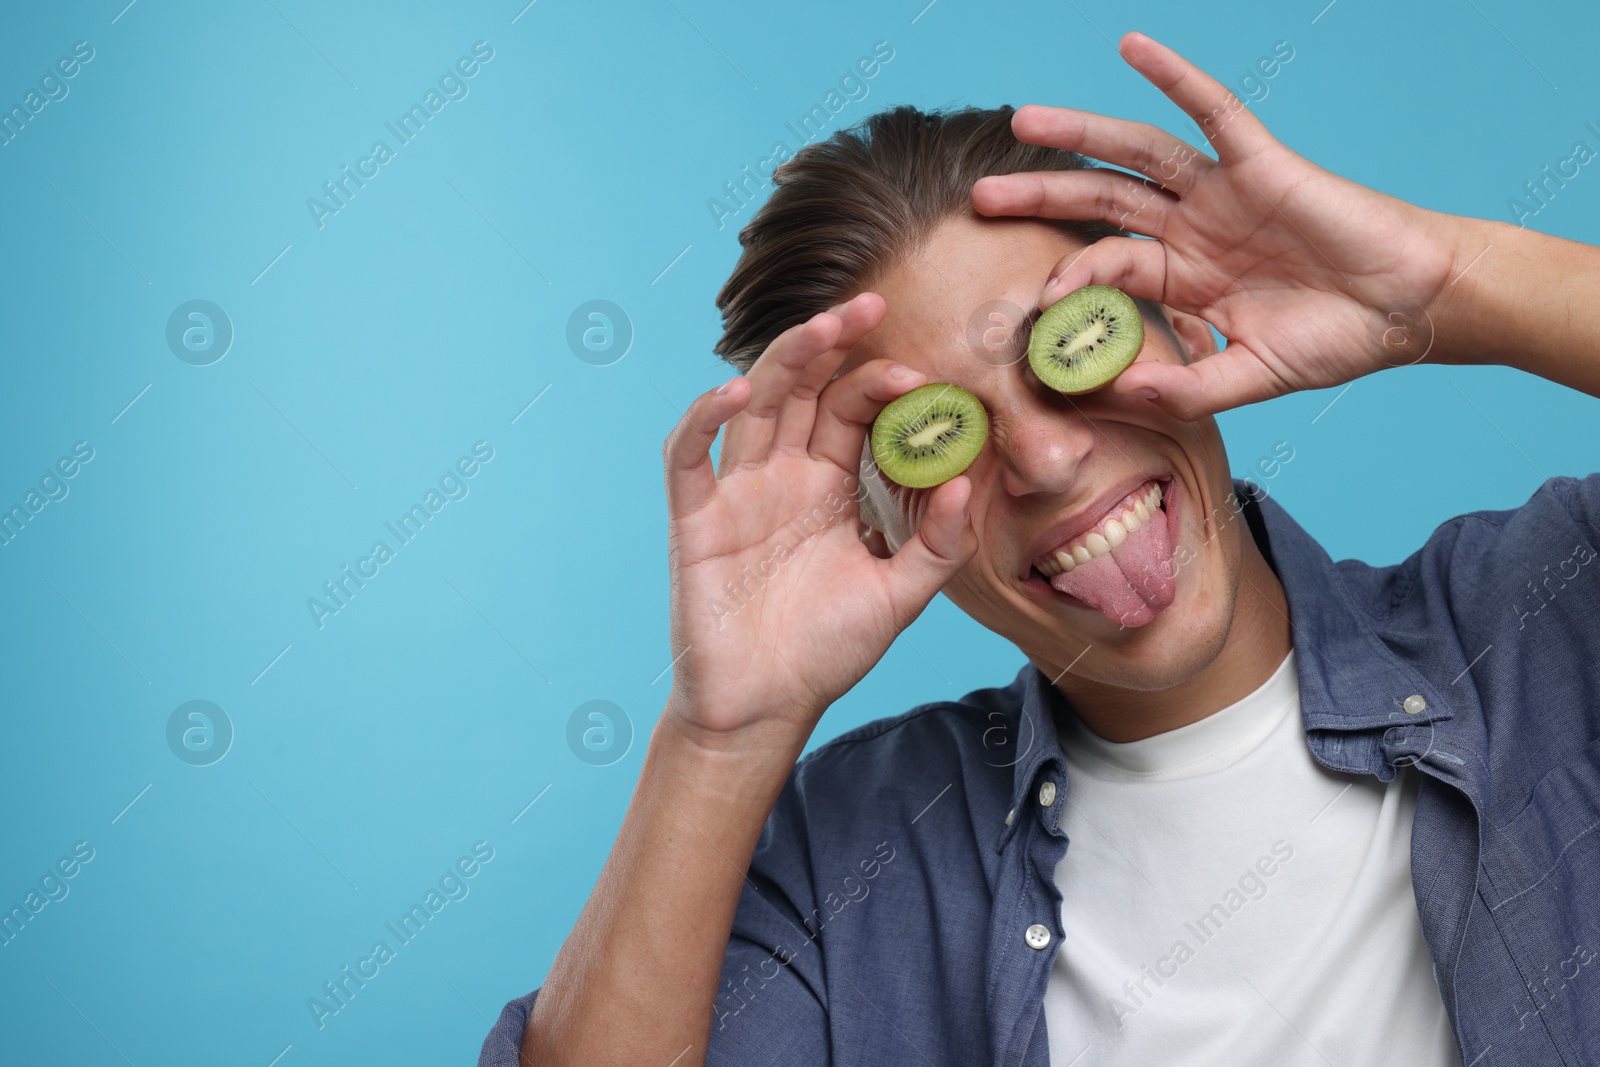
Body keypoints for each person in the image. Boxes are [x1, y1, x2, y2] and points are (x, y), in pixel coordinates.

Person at [482, 32, 1600, 1067]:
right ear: (882, 519)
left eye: (1064, 348)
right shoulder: (857, 854)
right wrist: (721, 739)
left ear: (1187, 319)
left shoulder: (1542, 616)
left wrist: (1447, 288)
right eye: (938, 437)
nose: (1048, 459)